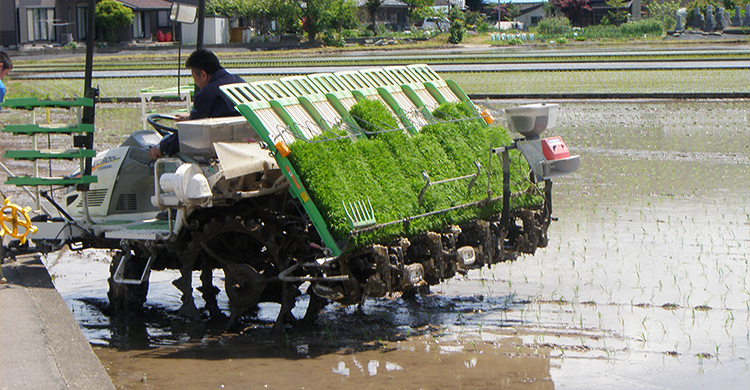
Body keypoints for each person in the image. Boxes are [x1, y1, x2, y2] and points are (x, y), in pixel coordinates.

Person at [149, 49, 245, 160]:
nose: (196, 83)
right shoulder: (240, 82)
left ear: (203, 75)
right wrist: (191, 117)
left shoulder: (208, 93)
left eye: (195, 78)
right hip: (240, 144)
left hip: (217, 151)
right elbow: (223, 114)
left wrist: (161, 147)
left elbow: (191, 133)